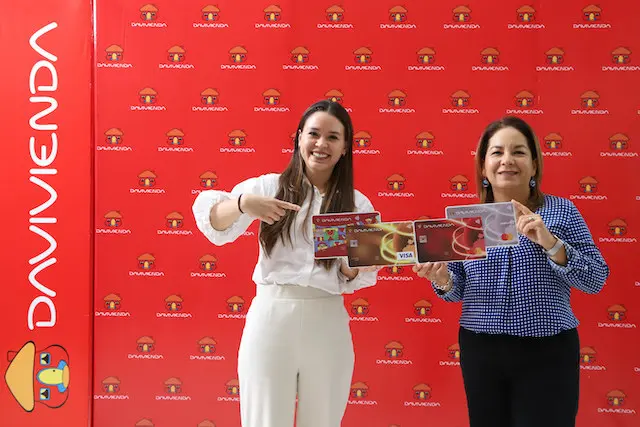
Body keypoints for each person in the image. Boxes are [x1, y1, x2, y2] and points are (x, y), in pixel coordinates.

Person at [413, 116, 609, 427]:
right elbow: (458, 289)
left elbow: (595, 278)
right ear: (483, 167)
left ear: (534, 165)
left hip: (548, 351)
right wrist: (442, 278)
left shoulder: (561, 212)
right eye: (497, 152)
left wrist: (550, 242)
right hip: (481, 350)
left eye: (518, 152)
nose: (507, 161)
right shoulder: (466, 222)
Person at [192, 100, 378, 427]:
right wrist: (242, 204)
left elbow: (353, 276)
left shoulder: (358, 204)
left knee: (323, 420)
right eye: (314, 134)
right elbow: (213, 224)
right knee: (263, 419)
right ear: (299, 138)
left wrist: (353, 263)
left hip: (328, 319)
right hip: (271, 316)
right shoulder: (268, 187)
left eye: (333, 137)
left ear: (346, 147)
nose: (321, 144)